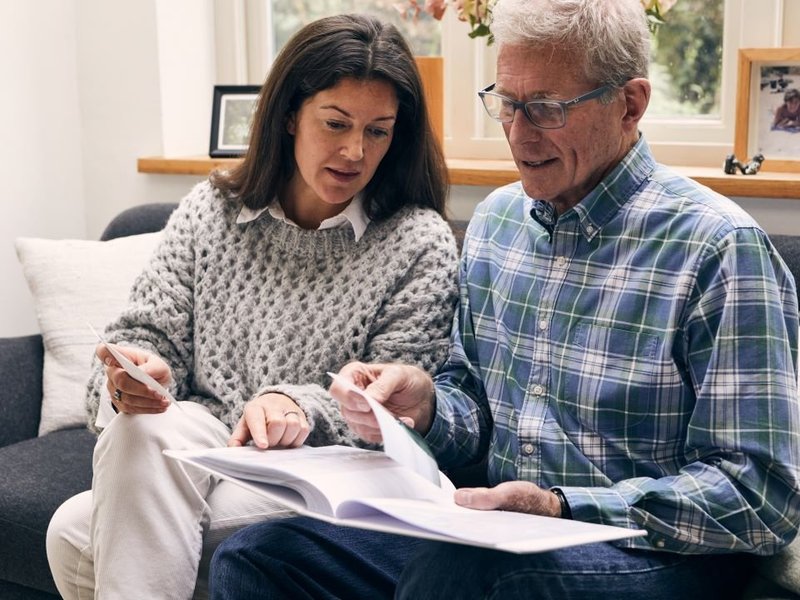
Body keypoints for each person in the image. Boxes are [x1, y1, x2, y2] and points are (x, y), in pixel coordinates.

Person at [209, 0, 800, 599]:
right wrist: (428, 407)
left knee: (472, 572)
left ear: (631, 105)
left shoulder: (719, 249)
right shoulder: (497, 225)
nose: (518, 133)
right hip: (491, 538)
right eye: (507, 104)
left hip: (652, 556)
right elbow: (476, 413)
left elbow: (762, 495)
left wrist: (562, 507)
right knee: (261, 556)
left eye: (545, 108)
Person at [45, 13, 460, 600]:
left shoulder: (418, 241)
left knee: (75, 532)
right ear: (290, 114)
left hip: (332, 472)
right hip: (210, 449)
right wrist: (132, 378)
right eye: (336, 123)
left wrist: (298, 402)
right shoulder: (210, 210)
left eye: (378, 131)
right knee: (134, 439)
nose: (354, 151)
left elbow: (394, 415)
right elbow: (144, 336)